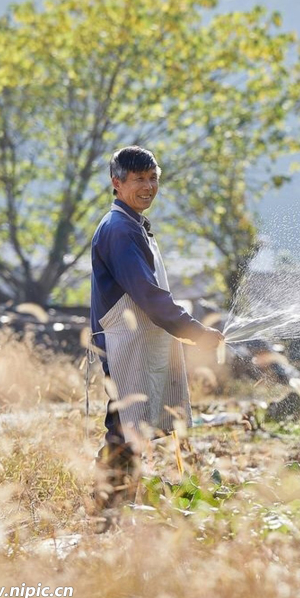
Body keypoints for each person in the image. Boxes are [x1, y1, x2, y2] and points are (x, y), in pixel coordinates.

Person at [89, 146, 223, 509]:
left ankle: (116, 501)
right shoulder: (119, 230)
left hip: (140, 341)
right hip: (124, 343)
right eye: (138, 180)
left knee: (127, 421)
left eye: (153, 179)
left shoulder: (133, 225)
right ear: (116, 183)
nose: (148, 187)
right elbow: (148, 296)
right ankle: (108, 505)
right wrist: (195, 332)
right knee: (124, 422)